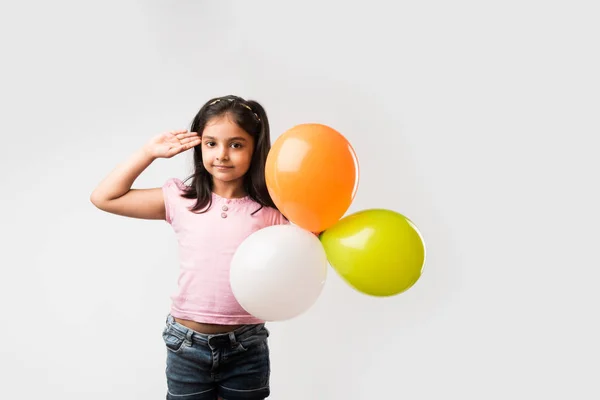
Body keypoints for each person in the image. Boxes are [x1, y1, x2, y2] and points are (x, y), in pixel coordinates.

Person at [90, 95, 289, 400]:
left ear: (255, 148)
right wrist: (148, 153)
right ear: (199, 146)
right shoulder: (183, 200)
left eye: (236, 145)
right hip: (186, 345)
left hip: (246, 345)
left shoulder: (271, 211)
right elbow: (105, 197)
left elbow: (309, 248)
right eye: (211, 143)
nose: (221, 154)